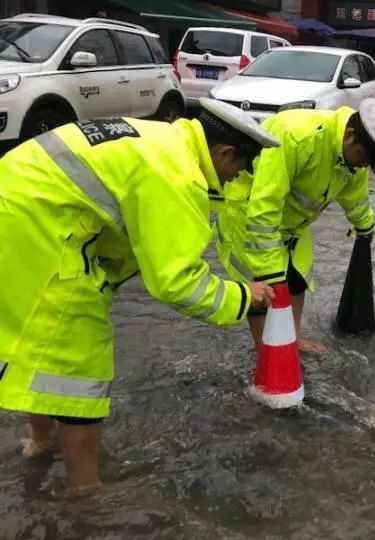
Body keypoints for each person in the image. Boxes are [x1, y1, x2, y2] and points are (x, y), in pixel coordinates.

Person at [0, 98, 278, 491]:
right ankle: (85, 493)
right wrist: (243, 297)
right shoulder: (178, 174)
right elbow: (176, 282)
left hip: (16, 208)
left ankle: (42, 442)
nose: (236, 179)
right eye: (239, 169)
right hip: (39, 233)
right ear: (224, 152)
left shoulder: (163, 138)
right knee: (79, 363)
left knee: (39, 346)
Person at [217, 98, 375, 354]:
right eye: (362, 158)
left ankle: (292, 340)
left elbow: (355, 195)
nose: (362, 166)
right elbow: (264, 207)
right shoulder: (297, 137)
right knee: (264, 292)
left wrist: (364, 226)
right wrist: (270, 271)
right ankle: (266, 352)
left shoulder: (355, 156)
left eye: (368, 164)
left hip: (293, 226)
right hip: (250, 216)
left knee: (296, 280)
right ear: (350, 135)